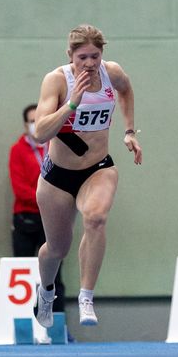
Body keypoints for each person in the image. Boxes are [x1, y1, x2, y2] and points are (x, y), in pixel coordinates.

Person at [31, 25, 142, 330]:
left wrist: (129, 131)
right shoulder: (57, 80)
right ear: (70, 55)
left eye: (95, 56)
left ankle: (86, 296)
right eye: (83, 57)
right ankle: (46, 291)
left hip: (98, 168)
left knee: (95, 218)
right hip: (58, 176)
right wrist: (72, 103)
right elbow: (40, 132)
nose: (90, 63)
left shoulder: (111, 72)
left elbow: (126, 90)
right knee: (57, 248)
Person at [7, 103, 62, 311]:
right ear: (25, 125)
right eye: (31, 121)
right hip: (26, 217)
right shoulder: (17, 150)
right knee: (22, 269)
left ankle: (57, 322)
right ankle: (22, 320)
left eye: (39, 119)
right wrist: (47, 198)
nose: (35, 124)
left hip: (52, 217)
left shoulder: (56, 147)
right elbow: (19, 188)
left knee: (54, 273)